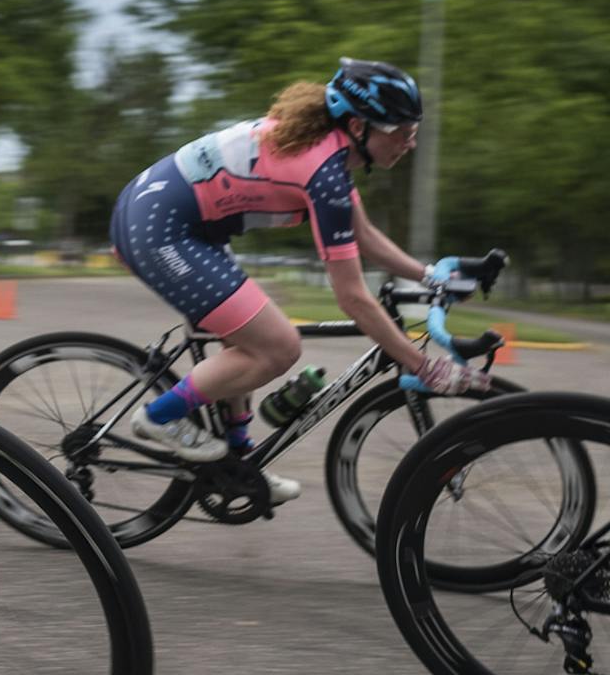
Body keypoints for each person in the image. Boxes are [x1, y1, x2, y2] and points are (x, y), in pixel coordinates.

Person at [108, 58, 492, 504]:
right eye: (400, 131)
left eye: (413, 130)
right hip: (159, 229)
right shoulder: (324, 173)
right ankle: (159, 417)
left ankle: (237, 463)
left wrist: (431, 275)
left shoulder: (331, 151)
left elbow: (364, 236)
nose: (411, 142)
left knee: (249, 337)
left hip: (184, 225)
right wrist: (421, 364)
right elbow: (352, 297)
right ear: (357, 125)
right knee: (278, 346)